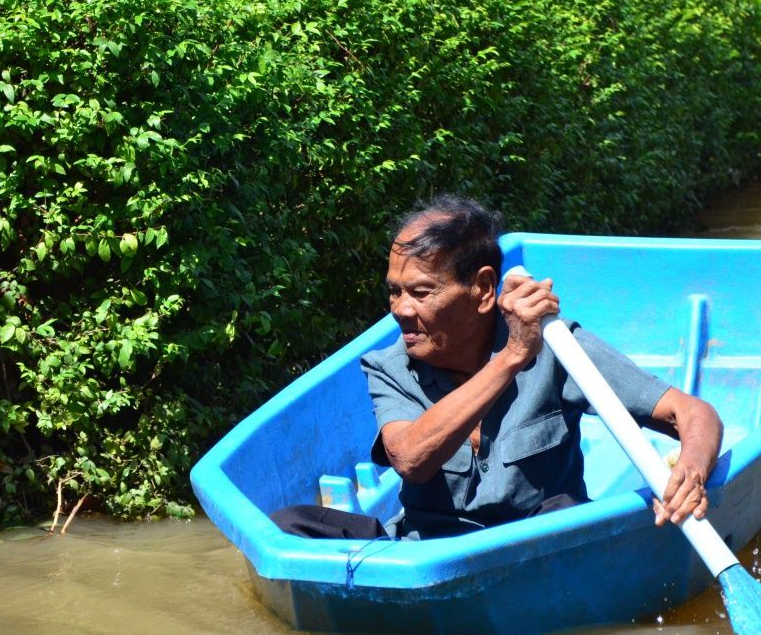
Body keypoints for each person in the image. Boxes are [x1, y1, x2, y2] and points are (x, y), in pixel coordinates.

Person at [271, 195, 723, 540]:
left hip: (539, 544)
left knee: (565, 511)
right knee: (289, 524)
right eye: (395, 291)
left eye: (421, 293)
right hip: (429, 549)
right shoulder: (391, 367)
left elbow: (692, 413)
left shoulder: (555, 344)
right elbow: (410, 459)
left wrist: (692, 472)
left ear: (483, 289)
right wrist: (510, 360)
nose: (401, 310)